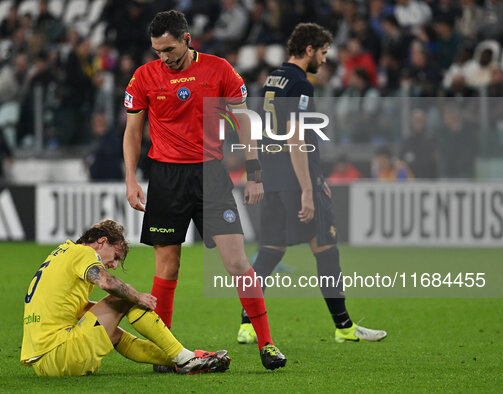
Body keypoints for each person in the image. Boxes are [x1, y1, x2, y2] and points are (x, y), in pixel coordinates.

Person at [123, 10, 286, 370]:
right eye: (157, 51)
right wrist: (131, 179)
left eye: (169, 50)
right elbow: (133, 132)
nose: (163, 58)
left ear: (187, 40)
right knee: (167, 268)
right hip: (165, 178)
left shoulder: (220, 70)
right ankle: (167, 352)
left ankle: (267, 344)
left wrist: (254, 171)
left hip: (211, 177)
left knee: (237, 262)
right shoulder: (144, 76)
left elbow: (244, 121)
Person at [236, 23, 387, 345]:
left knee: (270, 252)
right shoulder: (302, 84)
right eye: (323, 53)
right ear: (309, 50)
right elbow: (296, 136)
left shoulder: (273, 79)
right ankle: (344, 327)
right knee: (327, 251)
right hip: (294, 179)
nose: (324, 59)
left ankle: (247, 325)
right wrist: (308, 187)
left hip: (274, 179)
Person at [20, 219, 231, 376]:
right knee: (124, 298)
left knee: (115, 335)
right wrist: (137, 296)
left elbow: (80, 309)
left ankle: (181, 359)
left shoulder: (60, 254)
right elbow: (106, 283)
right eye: (116, 257)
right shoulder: (82, 254)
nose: (113, 265)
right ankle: (185, 358)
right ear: (102, 242)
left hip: (45, 364)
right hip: (63, 352)